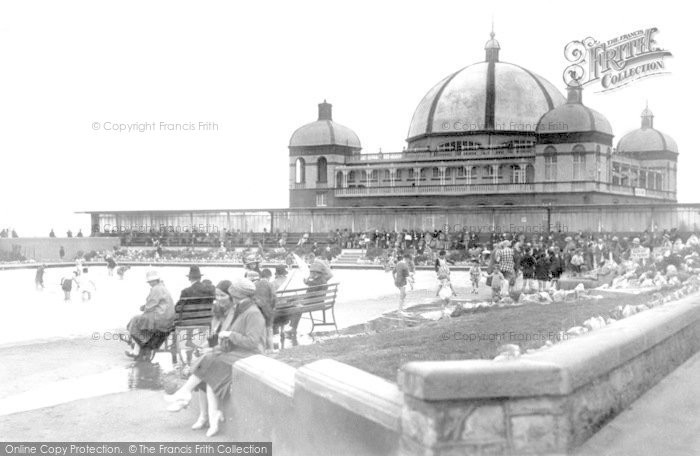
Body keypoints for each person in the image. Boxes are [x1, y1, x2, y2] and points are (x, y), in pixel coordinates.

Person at [165, 278, 266, 438]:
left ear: (238, 295)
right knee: (210, 361)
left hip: (250, 354)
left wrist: (230, 335)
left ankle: (186, 395)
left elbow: (253, 342)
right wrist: (221, 341)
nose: (231, 299)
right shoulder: (240, 309)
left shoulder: (252, 313)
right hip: (236, 351)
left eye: (231, 295)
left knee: (211, 362)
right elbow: (222, 334)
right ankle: (211, 416)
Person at [123, 270, 175, 360]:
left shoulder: (156, 289)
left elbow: (150, 306)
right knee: (141, 321)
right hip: (166, 318)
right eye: (149, 281)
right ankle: (136, 347)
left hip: (159, 318)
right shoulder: (163, 287)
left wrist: (143, 307)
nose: (150, 283)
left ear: (156, 280)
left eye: (151, 281)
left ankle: (139, 344)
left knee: (135, 320)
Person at [286, 262, 331, 346]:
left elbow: (310, 294)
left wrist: (308, 281)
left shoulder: (316, 281)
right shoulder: (321, 280)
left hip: (314, 303)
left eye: (312, 272)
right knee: (294, 301)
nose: (310, 274)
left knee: (297, 307)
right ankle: (292, 327)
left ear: (316, 273)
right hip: (317, 301)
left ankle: (292, 328)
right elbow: (311, 292)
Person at [254, 269, 277, 350]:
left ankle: (262, 350)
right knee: (269, 331)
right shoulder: (270, 284)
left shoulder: (255, 284)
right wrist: (273, 307)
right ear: (269, 276)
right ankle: (271, 349)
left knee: (261, 332)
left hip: (258, 310)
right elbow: (274, 297)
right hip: (268, 310)